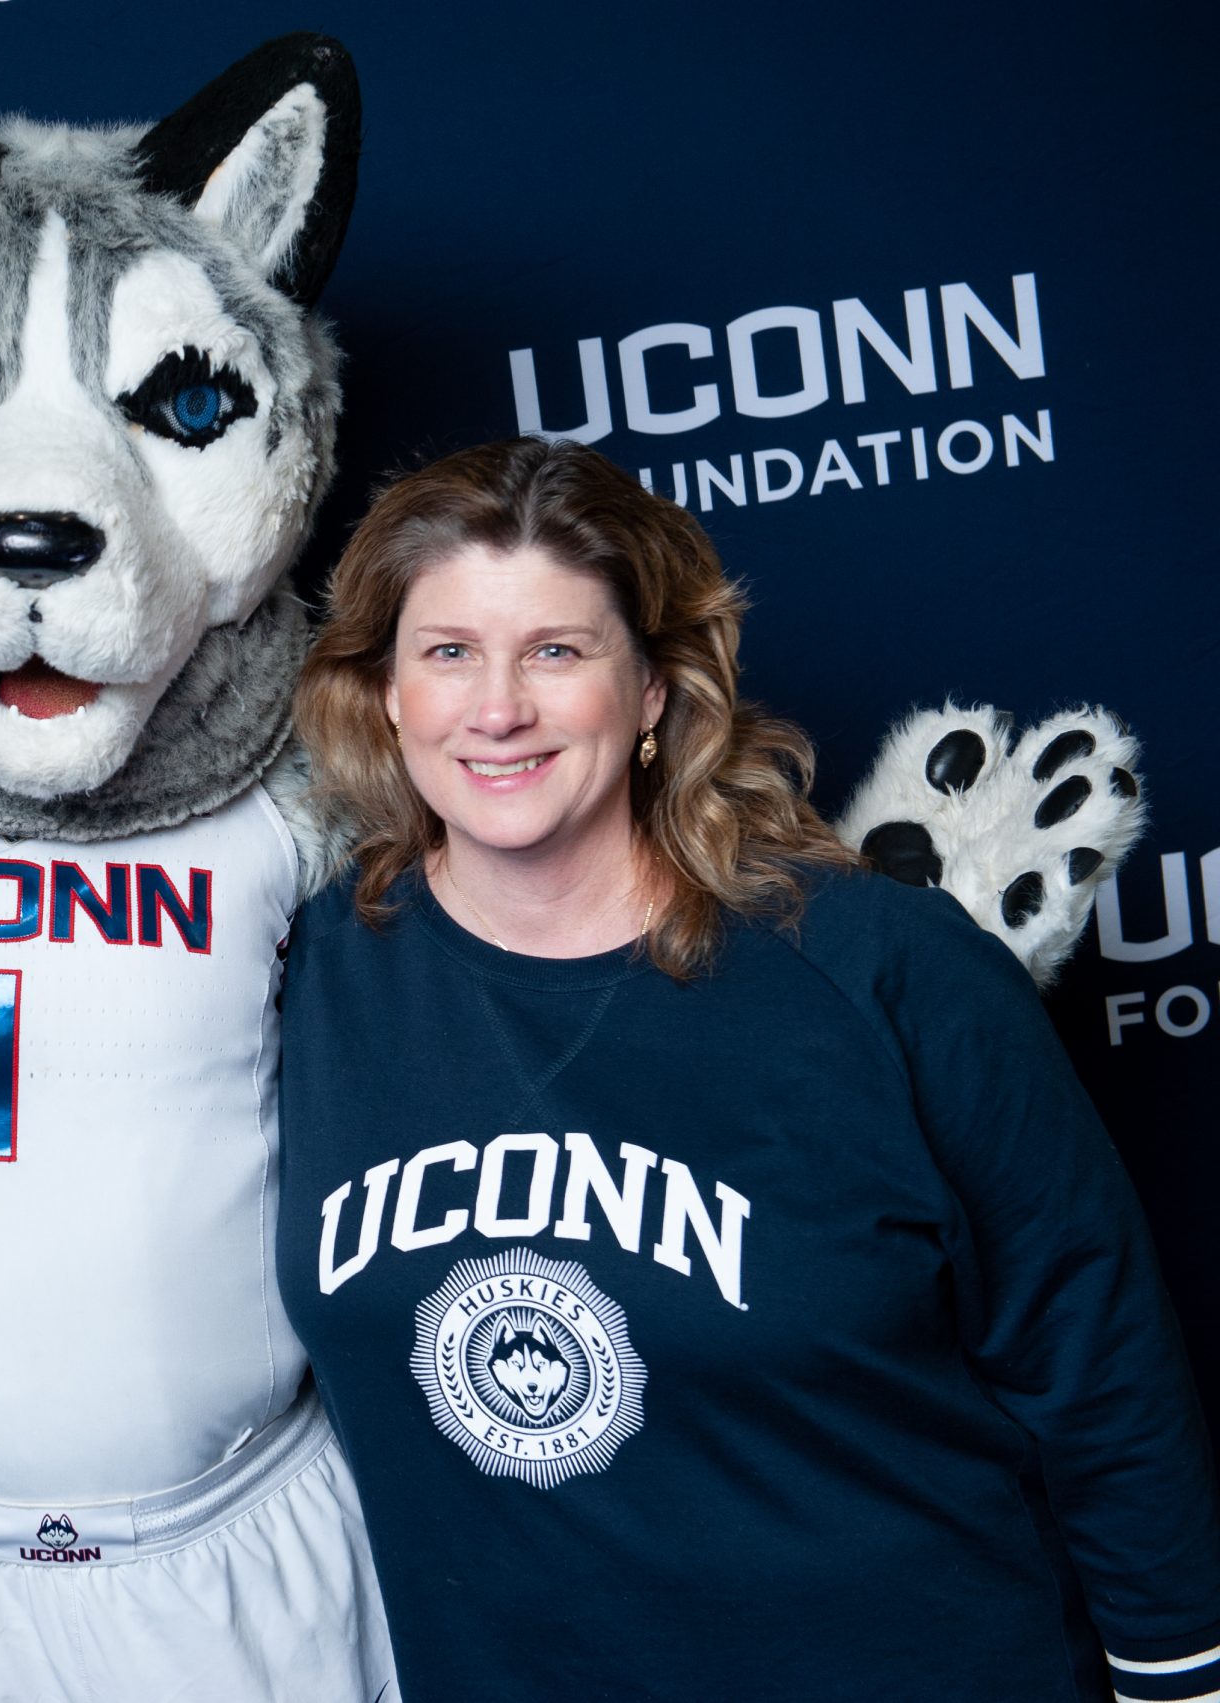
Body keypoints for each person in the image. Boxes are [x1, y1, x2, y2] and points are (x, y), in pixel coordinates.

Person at [276, 436, 1220, 1701]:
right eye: (448, 651)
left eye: (557, 650)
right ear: (384, 689)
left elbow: (1098, 1362)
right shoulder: (311, 971)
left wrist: (1180, 1681)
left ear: (657, 690)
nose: (495, 706)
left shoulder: (884, 968)